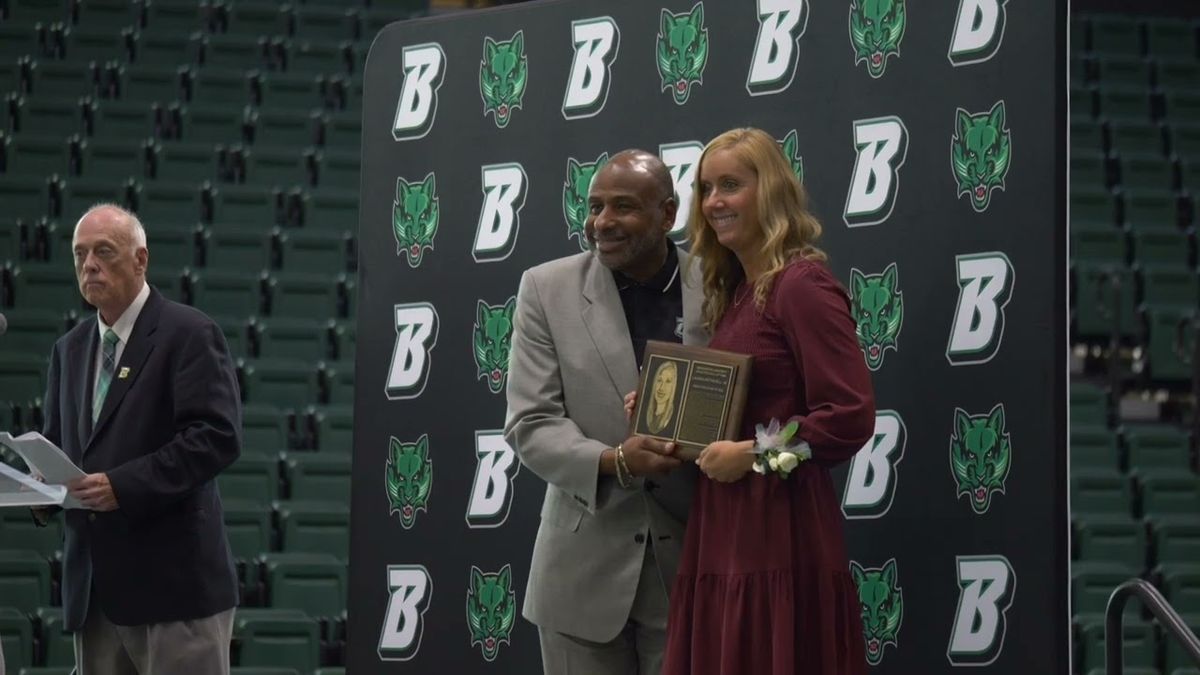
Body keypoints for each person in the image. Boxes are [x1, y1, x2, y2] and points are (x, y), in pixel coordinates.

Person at [661, 128, 876, 675]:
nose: (713, 202)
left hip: (781, 530)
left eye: (730, 185)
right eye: (706, 188)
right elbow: (743, 404)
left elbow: (848, 415)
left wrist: (754, 457)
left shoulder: (801, 285)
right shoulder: (735, 292)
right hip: (725, 529)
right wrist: (666, 408)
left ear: (772, 190)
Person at [505, 149, 708, 674]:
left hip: (696, 569)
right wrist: (617, 460)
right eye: (595, 207)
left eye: (623, 207)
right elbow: (531, 423)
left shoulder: (719, 284)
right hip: (580, 576)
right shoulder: (546, 288)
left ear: (667, 214)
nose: (602, 223)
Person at [35, 204, 242, 675]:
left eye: (103, 252)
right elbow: (58, 446)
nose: (89, 265)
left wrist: (121, 486)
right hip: (94, 593)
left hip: (175, 594)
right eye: (80, 254)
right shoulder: (69, 350)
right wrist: (36, 488)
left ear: (140, 259)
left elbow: (217, 437)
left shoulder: (188, 333)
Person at [646, 360, 678, 435]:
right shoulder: (646, 412)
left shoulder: (673, 417)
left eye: (668, 381)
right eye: (659, 380)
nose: (661, 387)